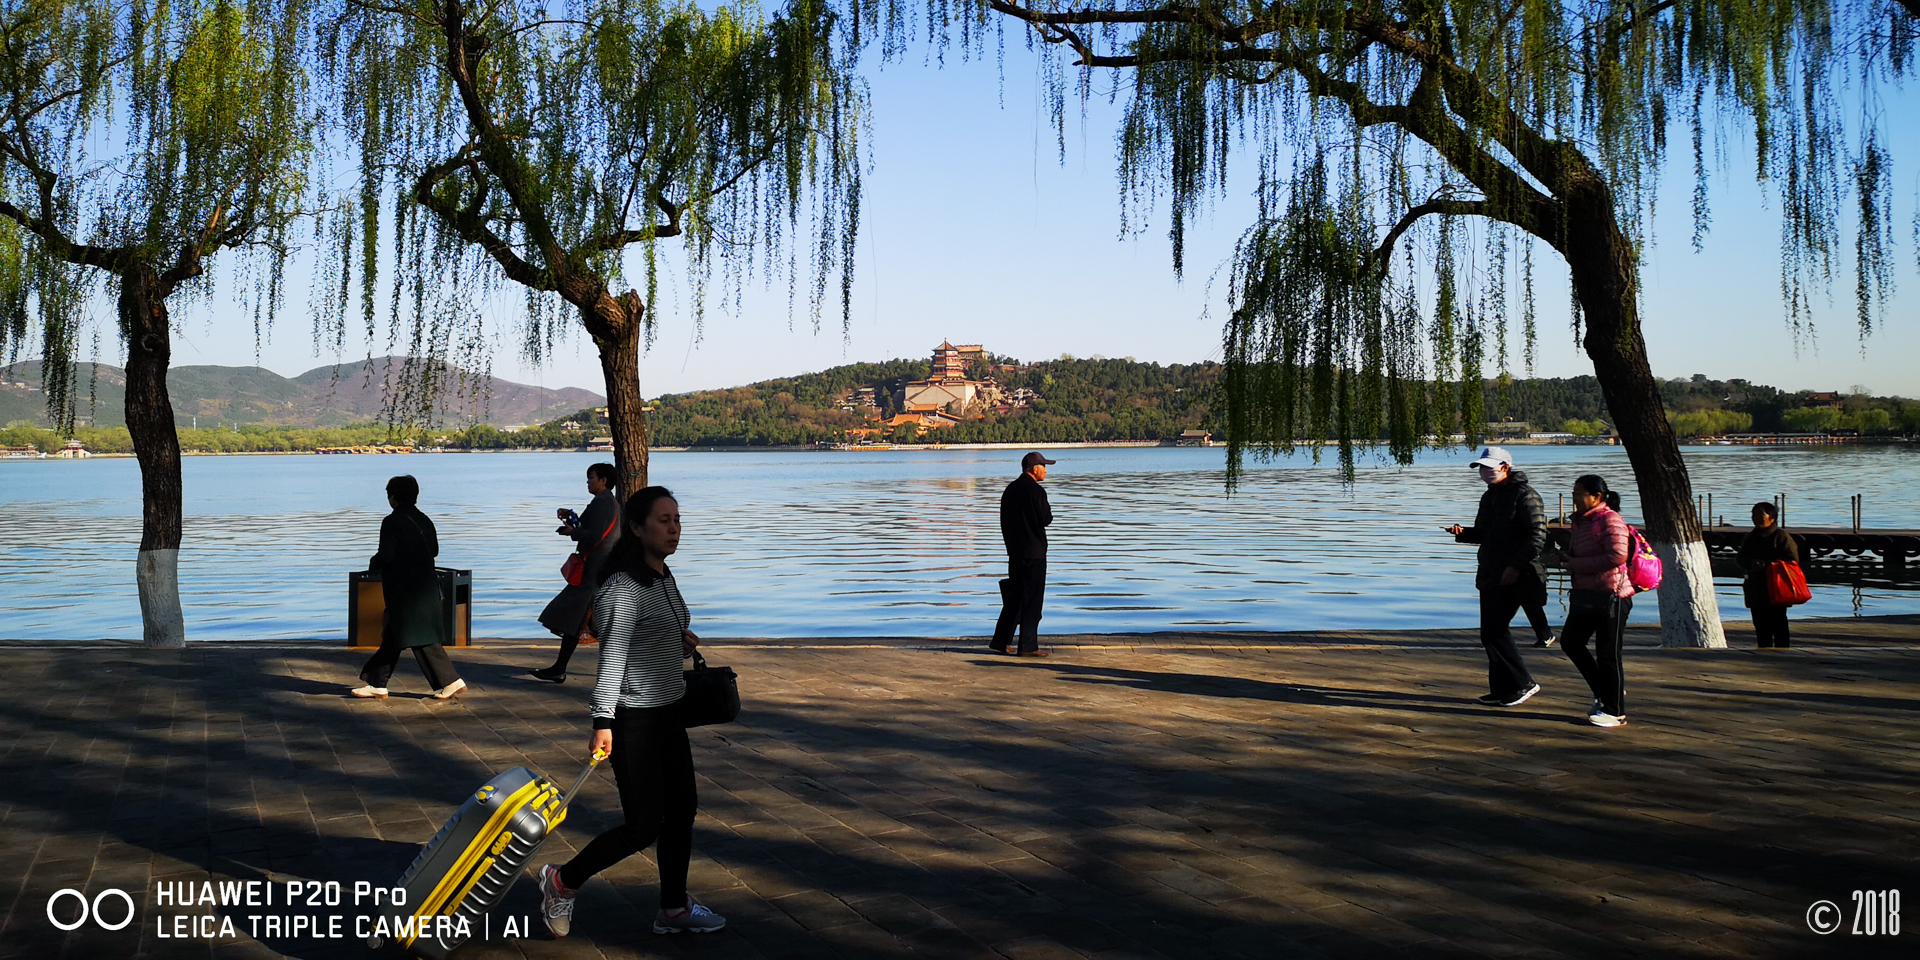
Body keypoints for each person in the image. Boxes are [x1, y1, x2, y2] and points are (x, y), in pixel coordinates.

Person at [537, 486, 725, 938]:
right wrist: (603, 722)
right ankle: (562, 881)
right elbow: (613, 656)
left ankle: (674, 909)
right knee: (643, 826)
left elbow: (651, 634)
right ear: (637, 528)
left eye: (677, 519)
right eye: (663, 520)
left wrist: (677, 641)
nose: (674, 528)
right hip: (632, 718)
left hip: (669, 712)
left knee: (683, 812)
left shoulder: (663, 577)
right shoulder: (623, 588)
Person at [1446, 446, 1546, 707]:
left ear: (1505, 467)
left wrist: (1514, 566)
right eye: (1481, 467)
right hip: (1491, 573)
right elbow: (1484, 533)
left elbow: (1538, 537)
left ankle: (1523, 683)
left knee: (1496, 630)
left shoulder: (1526, 495)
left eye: (1489, 467)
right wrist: (1463, 533)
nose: (1484, 472)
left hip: (1519, 573)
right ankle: (1503, 689)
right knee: (1490, 632)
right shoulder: (1489, 497)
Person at [352, 475, 464, 700]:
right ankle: (377, 683)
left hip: (404, 589)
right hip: (426, 584)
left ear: (392, 497)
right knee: (397, 633)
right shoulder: (424, 519)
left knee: (417, 634)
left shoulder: (392, 522)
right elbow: (433, 550)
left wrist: (373, 564)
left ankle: (451, 681)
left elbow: (387, 555)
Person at [1551, 475, 1633, 727]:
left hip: (1612, 595)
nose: (1574, 498)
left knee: (1608, 653)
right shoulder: (1581, 522)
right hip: (1586, 594)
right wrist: (1565, 558)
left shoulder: (1610, 519)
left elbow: (1618, 555)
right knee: (1571, 642)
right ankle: (1606, 691)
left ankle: (1615, 710)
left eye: (1578, 493)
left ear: (1596, 497)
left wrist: (1575, 564)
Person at [531, 462, 623, 682]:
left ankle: (626, 669)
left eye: (591, 477)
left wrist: (572, 532)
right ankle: (559, 668)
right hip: (598, 568)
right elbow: (592, 529)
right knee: (579, 619)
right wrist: (572, 520)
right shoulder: (608, 502)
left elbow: (595, 536)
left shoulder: (602, 502)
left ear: (603, 480)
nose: (588, 482)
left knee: (579, 616)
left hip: (594, 569)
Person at [992, 451, 1055, 657]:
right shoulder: (1036, 492)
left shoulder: (1010, 490)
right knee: (1033, 601)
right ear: (1034, 468)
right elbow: (1046, 519)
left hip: (1015, 551)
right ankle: (1028, 645)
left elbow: (1003, 521)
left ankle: (1001, 641)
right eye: (1044, 466)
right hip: (1034, 552)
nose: (1046, 470)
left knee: (1015, 598)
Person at [1738, 501, 1801, 649]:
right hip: (1755, 587)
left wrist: (1768, 564)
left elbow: (1792, 560)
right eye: (1754, 515)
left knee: (1779, 624)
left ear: (1772, 518)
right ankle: (1763, 652)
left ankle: (1783, 653)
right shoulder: (1750, 537)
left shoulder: (1781, 536)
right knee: (1760, 626)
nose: (1756, 518)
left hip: (1776, 587)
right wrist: (1750, 563)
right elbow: (1740, 558)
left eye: (1761, 515)